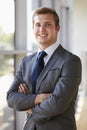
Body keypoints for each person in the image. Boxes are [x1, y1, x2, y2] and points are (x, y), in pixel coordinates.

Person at [7, 7, 82, 130]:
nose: (41, 29)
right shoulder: (26, 61)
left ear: (57, 28)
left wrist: (27, 105)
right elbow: (11, 98)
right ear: (33, 29)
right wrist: (38, 98)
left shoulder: (70, 61)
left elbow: (57, 103)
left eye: (47, 24)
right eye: (38, 25)